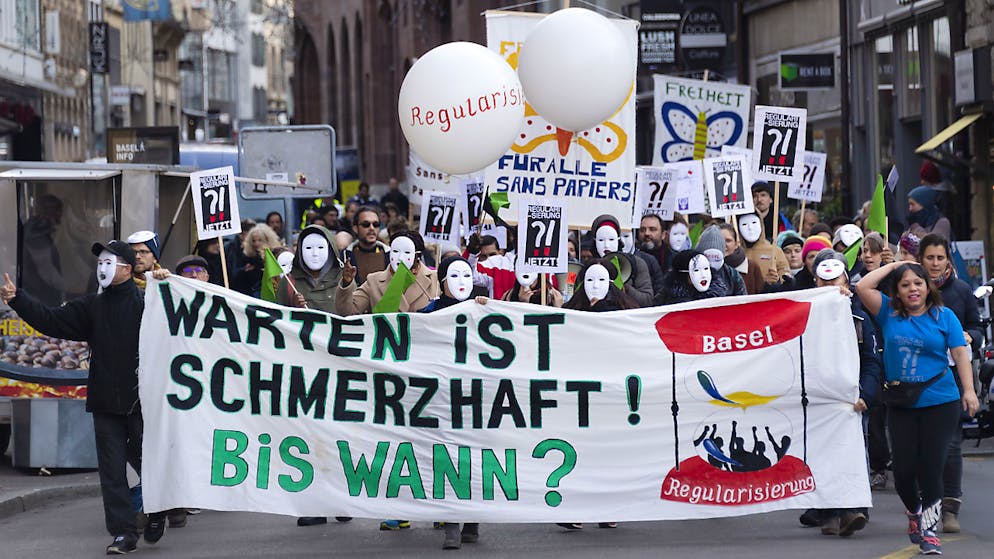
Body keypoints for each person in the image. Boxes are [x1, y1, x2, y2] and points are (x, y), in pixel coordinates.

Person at [1, 240, 168, 554]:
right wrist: (18, 300)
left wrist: (169, 285)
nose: (102, 268)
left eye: (109, 262)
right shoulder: (93, 306)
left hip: (142, 403)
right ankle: (123, 533)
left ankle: (158, 510)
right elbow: (51, 320)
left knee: (151, 464)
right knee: (112, 472)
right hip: (105, 403)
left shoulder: (149, 304)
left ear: (127, 269)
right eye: (100, 262)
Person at [855, 261, 979, 555]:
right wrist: (900, 264)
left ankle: (929, 530)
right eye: (905, 284)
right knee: (904, 471)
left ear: (928, 286)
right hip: (902, 402)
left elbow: (960, 353)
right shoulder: (888, 312)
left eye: (918, 283)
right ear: (897, 291)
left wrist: (970, 391)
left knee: (931, 467)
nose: (913, 289)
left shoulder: (944, 316)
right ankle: (914, 512)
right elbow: (862, 286)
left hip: (941, 401)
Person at [803, 250, 882, 537]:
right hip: (818, 399)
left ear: (846, 282)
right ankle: (828, 511)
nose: (829, 287)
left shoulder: (859, 319)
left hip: (852, 400)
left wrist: (866, 394)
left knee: (854, 451)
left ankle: (854, 509)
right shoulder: (802, 318)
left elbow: (872, 361)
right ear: (815, 283)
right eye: (823, 282)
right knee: (822, 453)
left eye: (834, 280)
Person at [917, 234, 982, 533]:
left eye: (940, 258)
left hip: (953, 378)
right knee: (923, 445)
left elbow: (977, 327)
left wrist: (971, 337)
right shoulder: (910, 288)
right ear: (920, 259)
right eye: (929, 258)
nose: (934, 263)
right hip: (917, 379)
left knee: (952, 442)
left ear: (947, 260)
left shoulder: (961, 290)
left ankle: (951, 506)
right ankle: (927, 502)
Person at [419, 255, 485, 548]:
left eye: (467, 276)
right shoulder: (429, 311)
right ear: (442, 281)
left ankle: (471, 519)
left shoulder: (483, 308)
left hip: (476, 396)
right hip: (442, 396)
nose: (462, 282)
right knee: (445, 458)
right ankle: (451, 524)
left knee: (474, 458)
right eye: (454, 276)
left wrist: (488, 309)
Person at [336, 231, 438, 315]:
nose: (400, 258)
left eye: (407, 252)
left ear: (418, 255)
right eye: (396, 251)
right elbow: (348, 312)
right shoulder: (374, 281)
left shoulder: (435, 279)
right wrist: (346, 283)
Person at [588, 214, 653, 307]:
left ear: (618, 240)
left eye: (611, 239)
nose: (606, 245)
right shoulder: (588, 267)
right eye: (601, 240)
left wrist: (624, 287)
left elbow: (647, 300)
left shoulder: (636, 263)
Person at [277, 224, 344, 314]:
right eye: (308, 248)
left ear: (330, 249)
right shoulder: (288, 282)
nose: (315, 253)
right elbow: (279, 316)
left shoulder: (343, 279)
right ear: (300, 250)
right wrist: (294, 307)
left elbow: (353, 312)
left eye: (320, 247)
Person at [21, 193, 65, 306]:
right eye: (58, 212)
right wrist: (67, 288)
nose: (60, 216)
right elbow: (47, 271)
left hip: (38, 297)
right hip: (39, 298)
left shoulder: (36, 230)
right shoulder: (36, 233)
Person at [739, 213, 790, 288]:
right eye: (744, 224)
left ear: (761, 225)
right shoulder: (734, 253)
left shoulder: (774, 250)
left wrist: (777, 281)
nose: (750, 228)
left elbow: (786, 277)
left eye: (754, 223)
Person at [657, 249, 726, 304]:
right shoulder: (666, 299)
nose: (703, 276)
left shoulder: (718, 300)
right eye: (696, 270)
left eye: (706, 269)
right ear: (682, 275)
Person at [695, 225, 746, 296]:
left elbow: (743, 299)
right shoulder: (691, 274)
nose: (712, 264)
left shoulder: (732, 275)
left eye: (716, 258)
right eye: (708, 257)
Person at [233, 224, 282, 298]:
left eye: (260, 240)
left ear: (267, 240)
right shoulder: (246, 257)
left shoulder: (274, 256)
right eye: (254, 241)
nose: (256, 244)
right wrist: (244, 271)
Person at [346, 206, 389, 285]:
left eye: (376, 224)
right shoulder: (345, 256)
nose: (372, 228)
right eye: (366, 224)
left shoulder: (390, 255)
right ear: (355, 228)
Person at [717, 223, 765, 294]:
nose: (724, 244)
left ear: (736, 244)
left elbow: (762, 294)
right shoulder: (709, 268)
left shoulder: (752, 267)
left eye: (728, 240)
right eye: (719, 240)